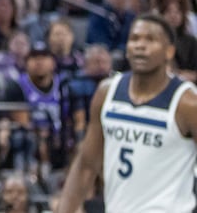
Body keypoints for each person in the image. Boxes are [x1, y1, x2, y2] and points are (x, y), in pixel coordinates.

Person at [56, 14, 197, 212]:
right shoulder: (107, 92)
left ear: (169, 51)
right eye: (135, 38)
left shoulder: (187, 103)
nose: (140, 45)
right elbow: (86, 165)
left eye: (151, 39)